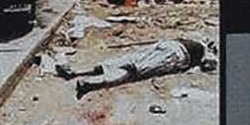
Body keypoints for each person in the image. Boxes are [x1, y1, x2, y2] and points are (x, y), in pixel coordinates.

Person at [55, 36, 206, 99]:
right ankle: (88, 84)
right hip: (175, 54)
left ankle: (74, 73)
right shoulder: (204, 51)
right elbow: (205, 64)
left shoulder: (197, 42)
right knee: (132, 70)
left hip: (168, 45)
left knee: (119, 62)